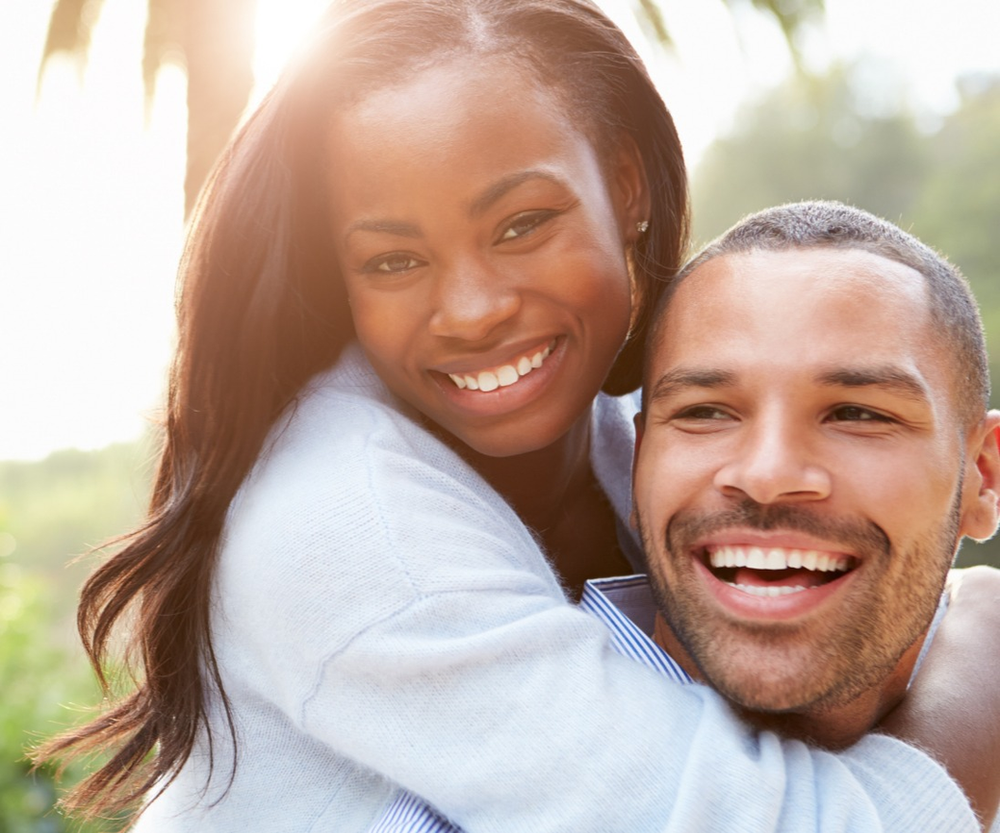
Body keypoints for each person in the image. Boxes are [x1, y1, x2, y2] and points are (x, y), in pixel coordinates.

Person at [34, 1, 1000, 831]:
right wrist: (975, 677)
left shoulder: (638, 446)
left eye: (521, 224)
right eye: (392, 261)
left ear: (625, 186)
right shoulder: (346, 519)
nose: (472, 308)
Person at [363, 201, 1000, 833]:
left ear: (983, 478)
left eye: (858, 414)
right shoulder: (475, 803)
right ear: (640, 463)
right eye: (705, 412)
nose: (767, 474)